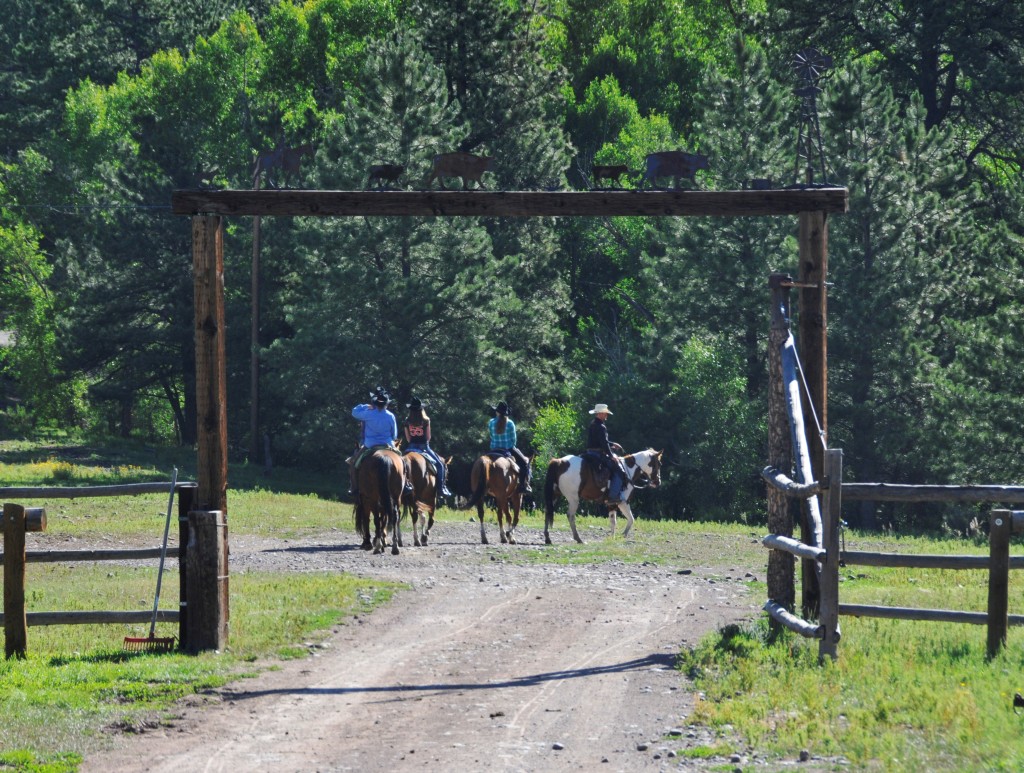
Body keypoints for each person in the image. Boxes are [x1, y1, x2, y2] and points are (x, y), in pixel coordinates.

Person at [347, 386, 399, 497]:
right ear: (386, 403)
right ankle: (407, 484)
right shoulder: (391, 416)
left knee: (354, 463)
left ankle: (354, 487)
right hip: (388, 444)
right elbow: (394, 435)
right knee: (403, 462)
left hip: (370, 445)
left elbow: (354, 412)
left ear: (374, 402)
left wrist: (366, 406)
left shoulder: (368, 413)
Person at [403, 396, 452, 499]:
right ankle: (441, 488)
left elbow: (408, 438)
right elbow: (428, 437)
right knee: (440, 465)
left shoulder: (407, 421)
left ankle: (404, 486)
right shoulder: (426, 420)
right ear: (421, 409)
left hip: (411, 447)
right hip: (424, 447)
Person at [586, 402, 628, 504]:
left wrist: (612, 444)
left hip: (589, 452)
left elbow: (599, 441)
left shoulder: (592, 424)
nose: (606, 415)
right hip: (598, 454)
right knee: (619, 470)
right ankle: (613, 496)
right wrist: (611, 456)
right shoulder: (601, 426)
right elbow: (604, 444)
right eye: (605, 413)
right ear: (600, 413)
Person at [487, 400, 532, 493]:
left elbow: (491, 436)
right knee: (524, 463)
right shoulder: (510, 423)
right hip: (508, 449)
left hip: (494, 449)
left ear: (497, 412)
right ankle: (522, 486)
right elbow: (513, 440)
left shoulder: (491, 422)